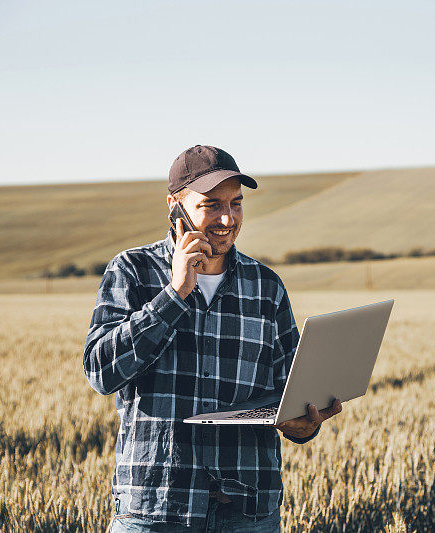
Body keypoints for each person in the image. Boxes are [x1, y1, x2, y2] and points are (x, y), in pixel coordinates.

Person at [83, 145, 342, 532]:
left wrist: (305, 425)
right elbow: (101, 372)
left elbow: (289, 389)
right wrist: (174, 295)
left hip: (248, 510)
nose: (227, 218)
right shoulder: (132, 271)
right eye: (211, 204)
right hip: (157, 507)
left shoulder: (266, 286)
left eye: (236, 204)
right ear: (175, 206)